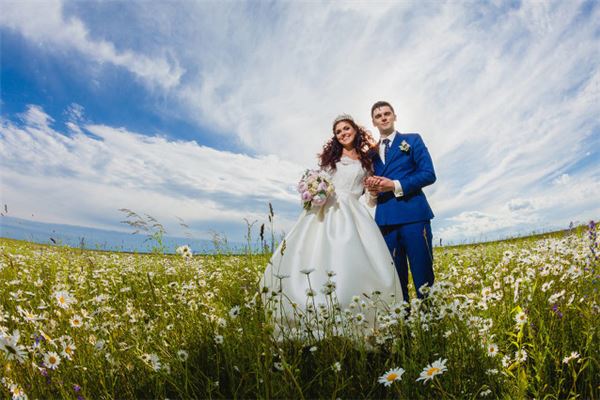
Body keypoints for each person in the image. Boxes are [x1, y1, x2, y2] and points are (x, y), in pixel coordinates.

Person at [261, 114, 402, 334]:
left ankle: (358, 315)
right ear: (335, 137)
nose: (343, 133)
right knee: (316, 257)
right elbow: (320, 183)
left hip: (354, 214)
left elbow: (368, 199)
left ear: (355, 130)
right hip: (326, 211)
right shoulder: (331, 161)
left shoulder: (367, 161)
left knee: (352, 261)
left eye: (346, 128)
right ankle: (313, 311)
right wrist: (315, 191)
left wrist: (373, 192)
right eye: (338, 131)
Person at [365, 101, 436, 303]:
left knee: (423, 276)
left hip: (414, 217)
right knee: (395, 279)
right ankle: (402, 320)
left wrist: (394, 185)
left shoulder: (412, 140)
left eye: (387, 113)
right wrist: (372, 189)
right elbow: (369, 182)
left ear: (395, 116)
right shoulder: (370, 153)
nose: (383, 118)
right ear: (374, 122)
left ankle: (429, 319)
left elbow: (428, 174)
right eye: (378, 116)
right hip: (386, 221)